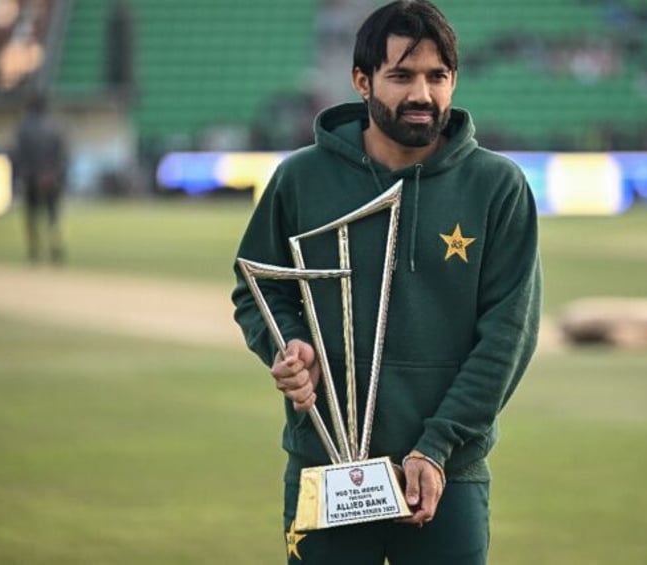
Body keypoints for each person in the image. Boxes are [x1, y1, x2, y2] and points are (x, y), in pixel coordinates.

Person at [231, 2, 541, 563]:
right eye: (401, 76)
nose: (421, 94)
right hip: (328, 470)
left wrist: (438, 446)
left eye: (436, 76)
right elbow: (259, 288)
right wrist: (289, 345)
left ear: (454, 80)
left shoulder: (498, 187)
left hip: (445, 477)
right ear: (362, 80)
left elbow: (507, 337)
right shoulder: (301, 179)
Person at [13, 91, 68, 264]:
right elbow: (62, 156)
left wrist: (30, 175)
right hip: (52, 179)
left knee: (31, 217)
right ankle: (56, 249)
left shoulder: (24, 128)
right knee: (53, 216)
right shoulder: (55, 127)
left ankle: (34, 251)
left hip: (31, 179)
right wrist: (53, 174)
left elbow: (20, 156)